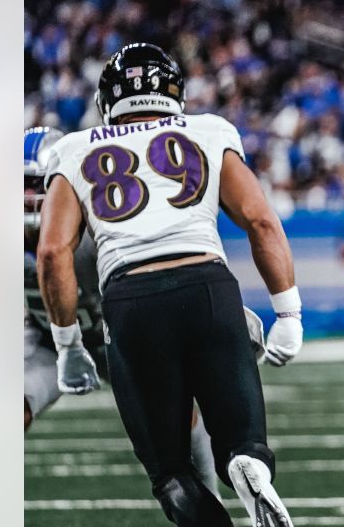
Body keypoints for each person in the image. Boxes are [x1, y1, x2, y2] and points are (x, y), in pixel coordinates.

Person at [37, 43, 305, 527]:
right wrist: (288, 313)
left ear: (109, 99)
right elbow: (260, 218)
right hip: (209, 286)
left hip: (132, 300)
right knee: (240, 440)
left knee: (170, 471)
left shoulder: (74, 148)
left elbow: (54, 250)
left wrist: (66, 345)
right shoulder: (209, 130)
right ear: (175, 92)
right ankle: (249, 466)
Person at [23, 127, 262, 499]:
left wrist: (223, 318)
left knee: (181, 419)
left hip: (119, 334)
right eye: (19, 185)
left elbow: (159, 275)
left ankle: (210, 500)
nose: (26, 196)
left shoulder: (94, 234)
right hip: (49, 339)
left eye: (36, 183)